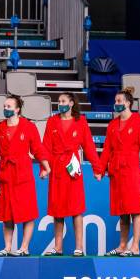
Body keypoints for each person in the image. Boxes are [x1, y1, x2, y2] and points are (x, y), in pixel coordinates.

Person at [95, 88, 140, 257]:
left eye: (120, 101)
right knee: (122, 211)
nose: (117, 104)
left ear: (128, 103)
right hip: (116, 171)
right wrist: (100, 169)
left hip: (131, 169)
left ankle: (135, 246)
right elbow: (107, 148)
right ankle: (122, 245)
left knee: (135, 209)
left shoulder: (139, 122)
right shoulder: (113, 124)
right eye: (115, 101)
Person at [42, 92, 100, 257]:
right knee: (57, 211)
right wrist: (44, 168)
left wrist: (97, 168)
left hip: (73, 171)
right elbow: (45, 146)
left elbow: (89, 146)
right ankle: (58, 247)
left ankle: (79, 247)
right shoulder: (52, 121)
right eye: (58, 101)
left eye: (63, 101)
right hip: (57, 170)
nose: (60, 104)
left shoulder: (80, 121)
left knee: (76, 209)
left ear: (72, 103)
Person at [0, 95, 51, 257]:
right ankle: (7, 247)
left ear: (18, 109)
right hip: (5, 173)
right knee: (6, 213)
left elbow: (37, 148)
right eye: (5, 106)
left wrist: (45, 166)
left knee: (27, 212)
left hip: (23, 173)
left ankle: (24, 247)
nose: (6, 108)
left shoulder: (28, 127)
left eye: (9, 106)